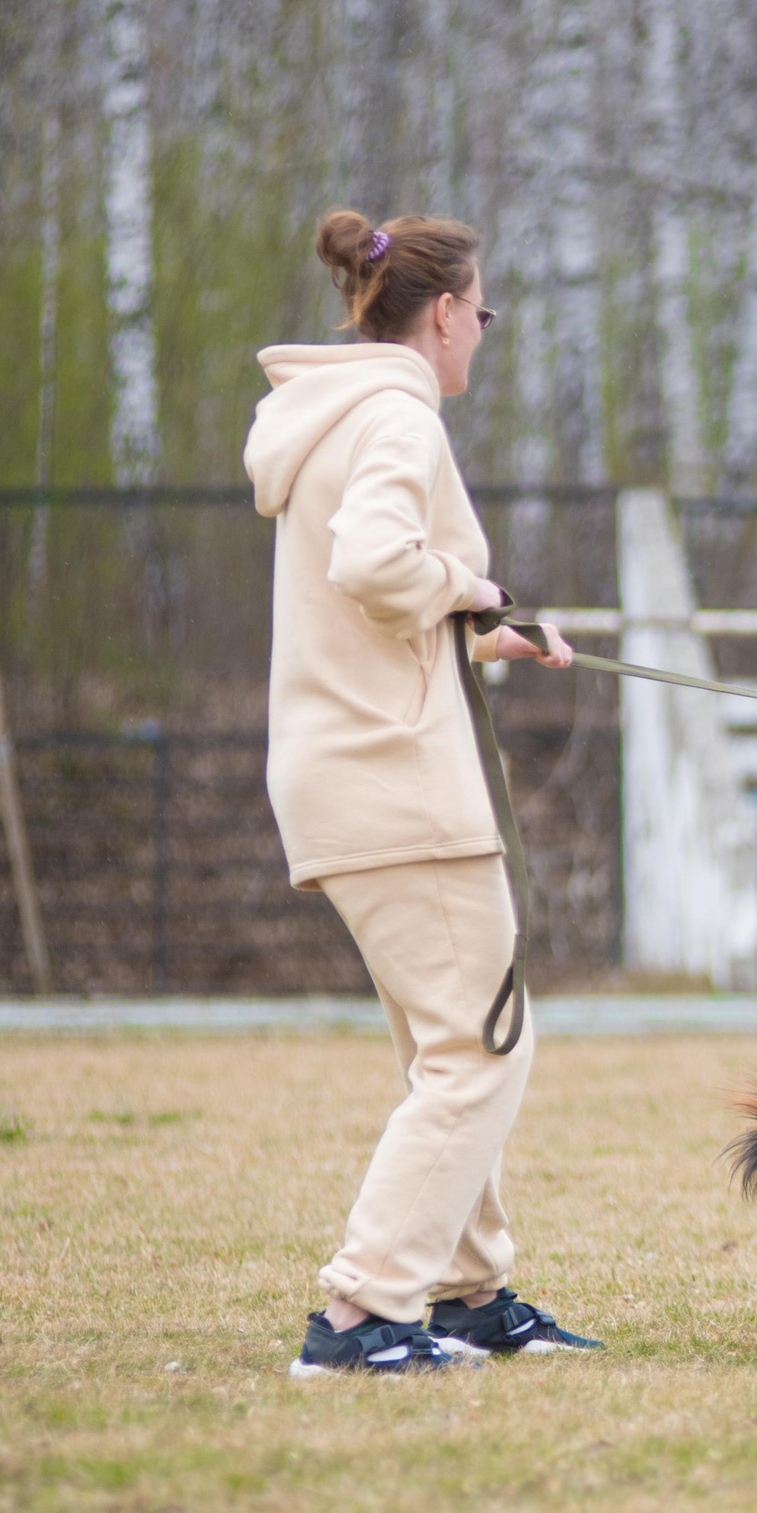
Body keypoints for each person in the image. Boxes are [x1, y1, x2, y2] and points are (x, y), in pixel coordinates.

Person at [245, 209, 601, 1375]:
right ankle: (362, 1313)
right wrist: (471, 583)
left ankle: (467, 1294)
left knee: (447, 1051)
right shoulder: (397, 413)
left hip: (345, 769)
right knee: (480, 1053)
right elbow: (373, 563)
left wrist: (488, 635)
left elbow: (365, 609)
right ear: (444, 312)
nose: (481, 334)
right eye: (481, 312)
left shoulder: (329, 413)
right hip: (397, 780)